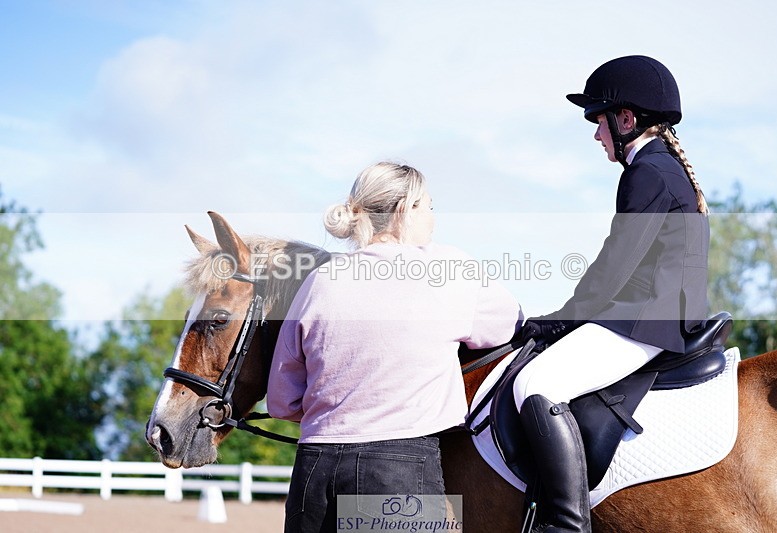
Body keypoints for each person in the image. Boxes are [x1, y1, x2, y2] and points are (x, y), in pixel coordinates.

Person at [268, 161, 522, 532]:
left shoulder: (319, 281)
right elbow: (509, 325)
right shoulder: (447, 268)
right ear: (406, 209)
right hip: (399, 469)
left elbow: (282, 401)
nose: (433, 219)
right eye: (429, 206)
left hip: (313, 472)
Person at [513, 56, 710, 532]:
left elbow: (614, 265)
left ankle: (564, 522)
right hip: (652, 314)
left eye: (598, 120)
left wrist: (559, 320)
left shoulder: (647, 173)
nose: (596, 134)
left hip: (646, 320)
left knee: (533, 385)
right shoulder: (660, 169)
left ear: (626, 119)